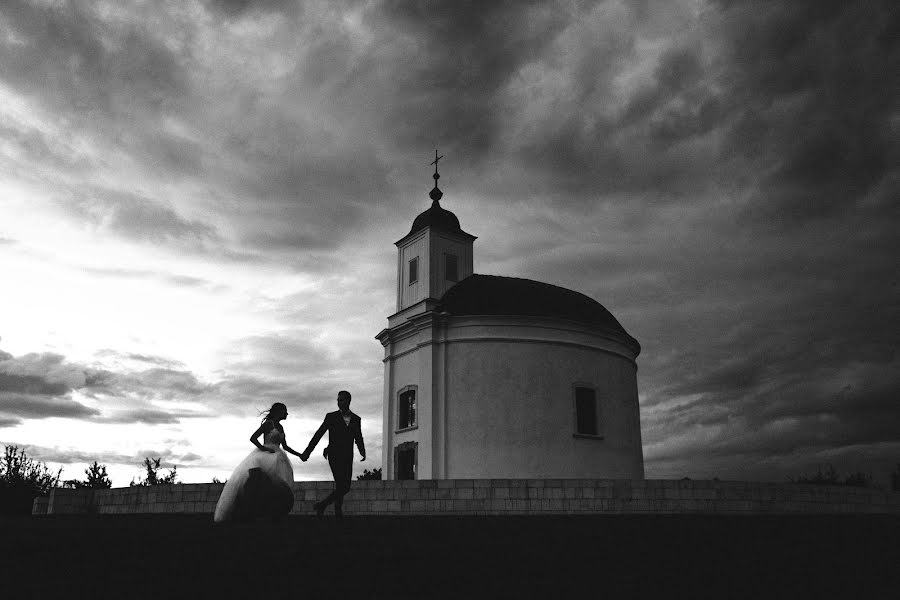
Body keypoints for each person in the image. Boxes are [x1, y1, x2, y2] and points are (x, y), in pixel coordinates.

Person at [213, 402, 304, 523]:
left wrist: (300, 455)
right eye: (284, 411)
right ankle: (250, 511)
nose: (286, 413)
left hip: (279, 458)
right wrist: (265, 449)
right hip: (265, 456)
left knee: (277, 486)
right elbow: (253, 438)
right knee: (260, 484)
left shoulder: (281, 428)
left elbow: (285, 447)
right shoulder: (268, 424)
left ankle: (270, 513)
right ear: (278, 412)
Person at [300, 390, 366, 518]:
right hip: (334, 455)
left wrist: (362, 451)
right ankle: (336, 509)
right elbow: (318, 434)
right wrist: (307, 452)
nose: (339, 403)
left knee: (344, 486)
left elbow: (358, 437)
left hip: (348, 456)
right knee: (342, 485)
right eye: (338, 400)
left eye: (341, 400)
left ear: (348, 401)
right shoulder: (331, 417)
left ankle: (323, 506)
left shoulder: (356, 419)